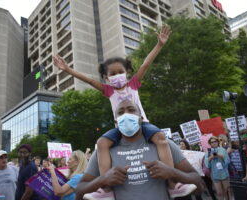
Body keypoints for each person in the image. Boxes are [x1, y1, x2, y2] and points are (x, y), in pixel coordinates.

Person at [53, 25, 196, 199]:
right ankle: (106, 190)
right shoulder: (108, 91)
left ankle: (172, 184)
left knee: (160, 139)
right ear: (106, 78)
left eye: (120, 72)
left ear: (127, 73)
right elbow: (89, 80)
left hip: (142, 123)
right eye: (112, 74)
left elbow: (145, 64)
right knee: (102, 143)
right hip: (119, 127)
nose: (117, 76)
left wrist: (159, 45)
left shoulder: (133, 84)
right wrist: (67, 70)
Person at [76, 100, 204, 200]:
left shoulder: (165, 145)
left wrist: (172, 173)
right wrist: (102, 180)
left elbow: (199, 185)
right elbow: (79, 192)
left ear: (141, 118)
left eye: (131, 110)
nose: (126, 115)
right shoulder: (103, 151)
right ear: (116, 121)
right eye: (121, 112)